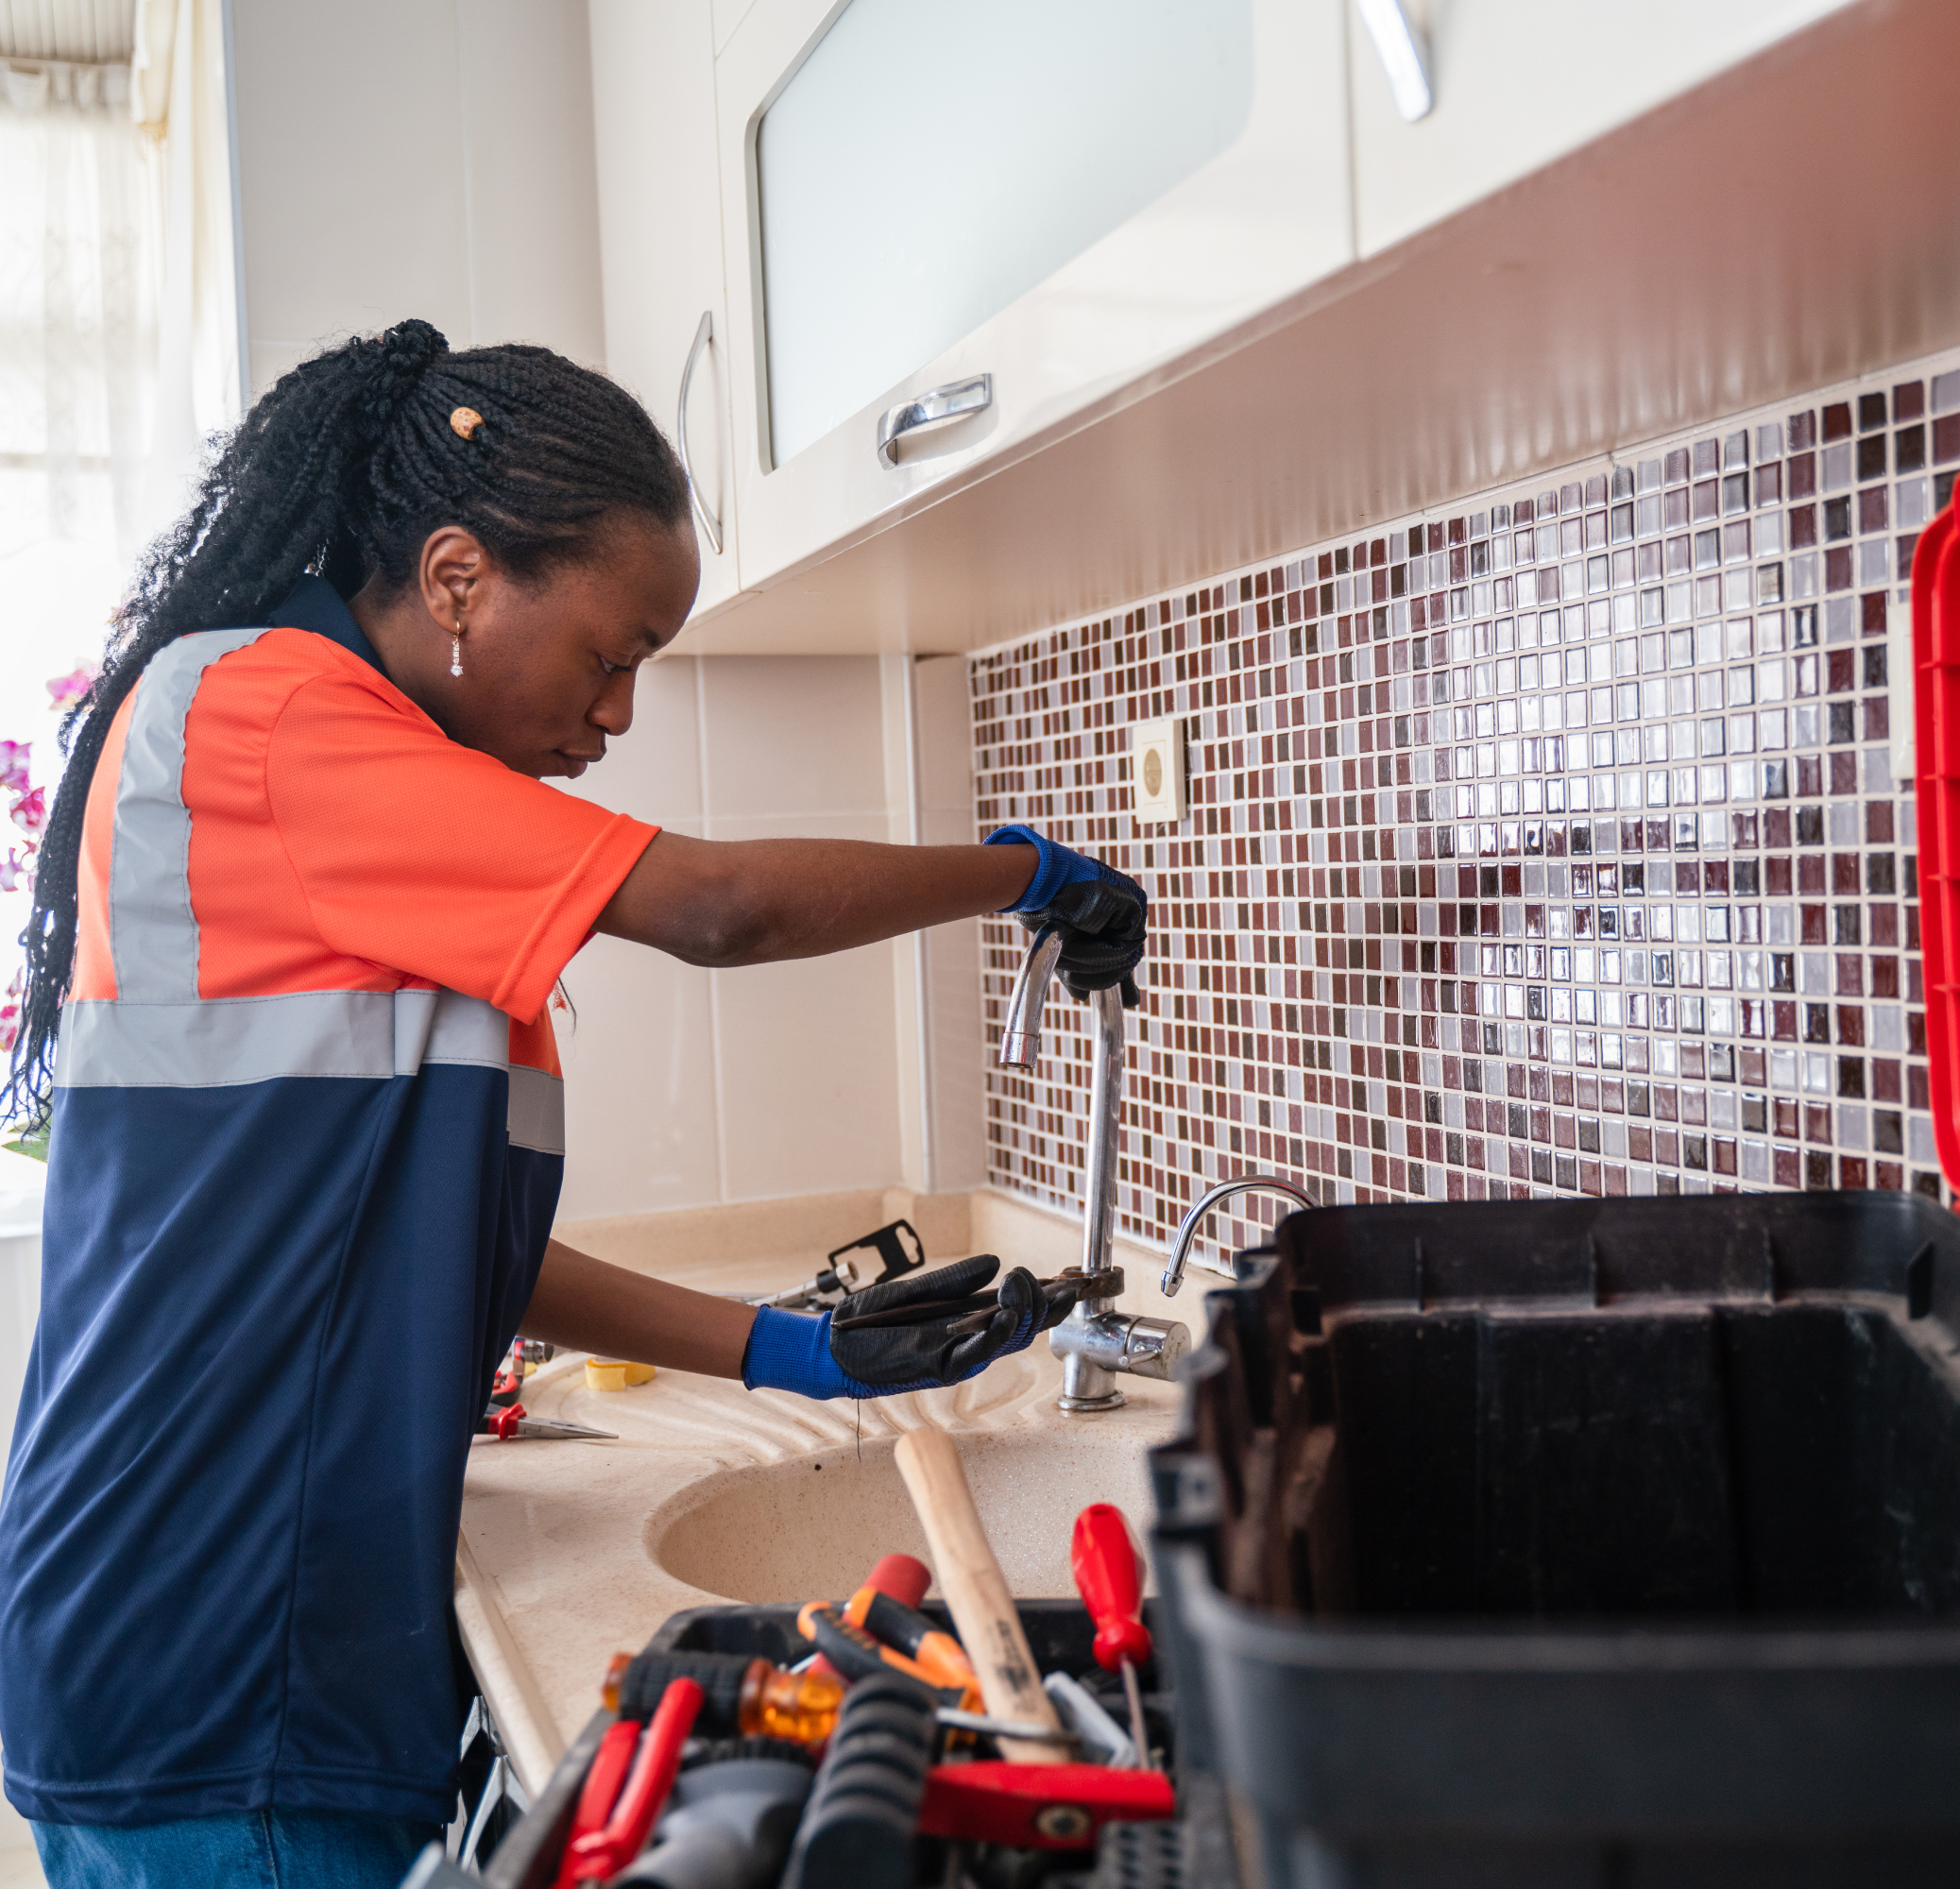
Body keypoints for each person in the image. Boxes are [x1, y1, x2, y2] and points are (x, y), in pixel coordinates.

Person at [0, 319, 1145, 1888]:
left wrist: (786, 1350)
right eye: (612, 655)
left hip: (227, 1619)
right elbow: (722, 906)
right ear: (460, 577)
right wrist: (1030, 874)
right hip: (212, 1644)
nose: (613, 717)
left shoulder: (344, 779)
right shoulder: (272, 720)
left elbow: (426, 1243)